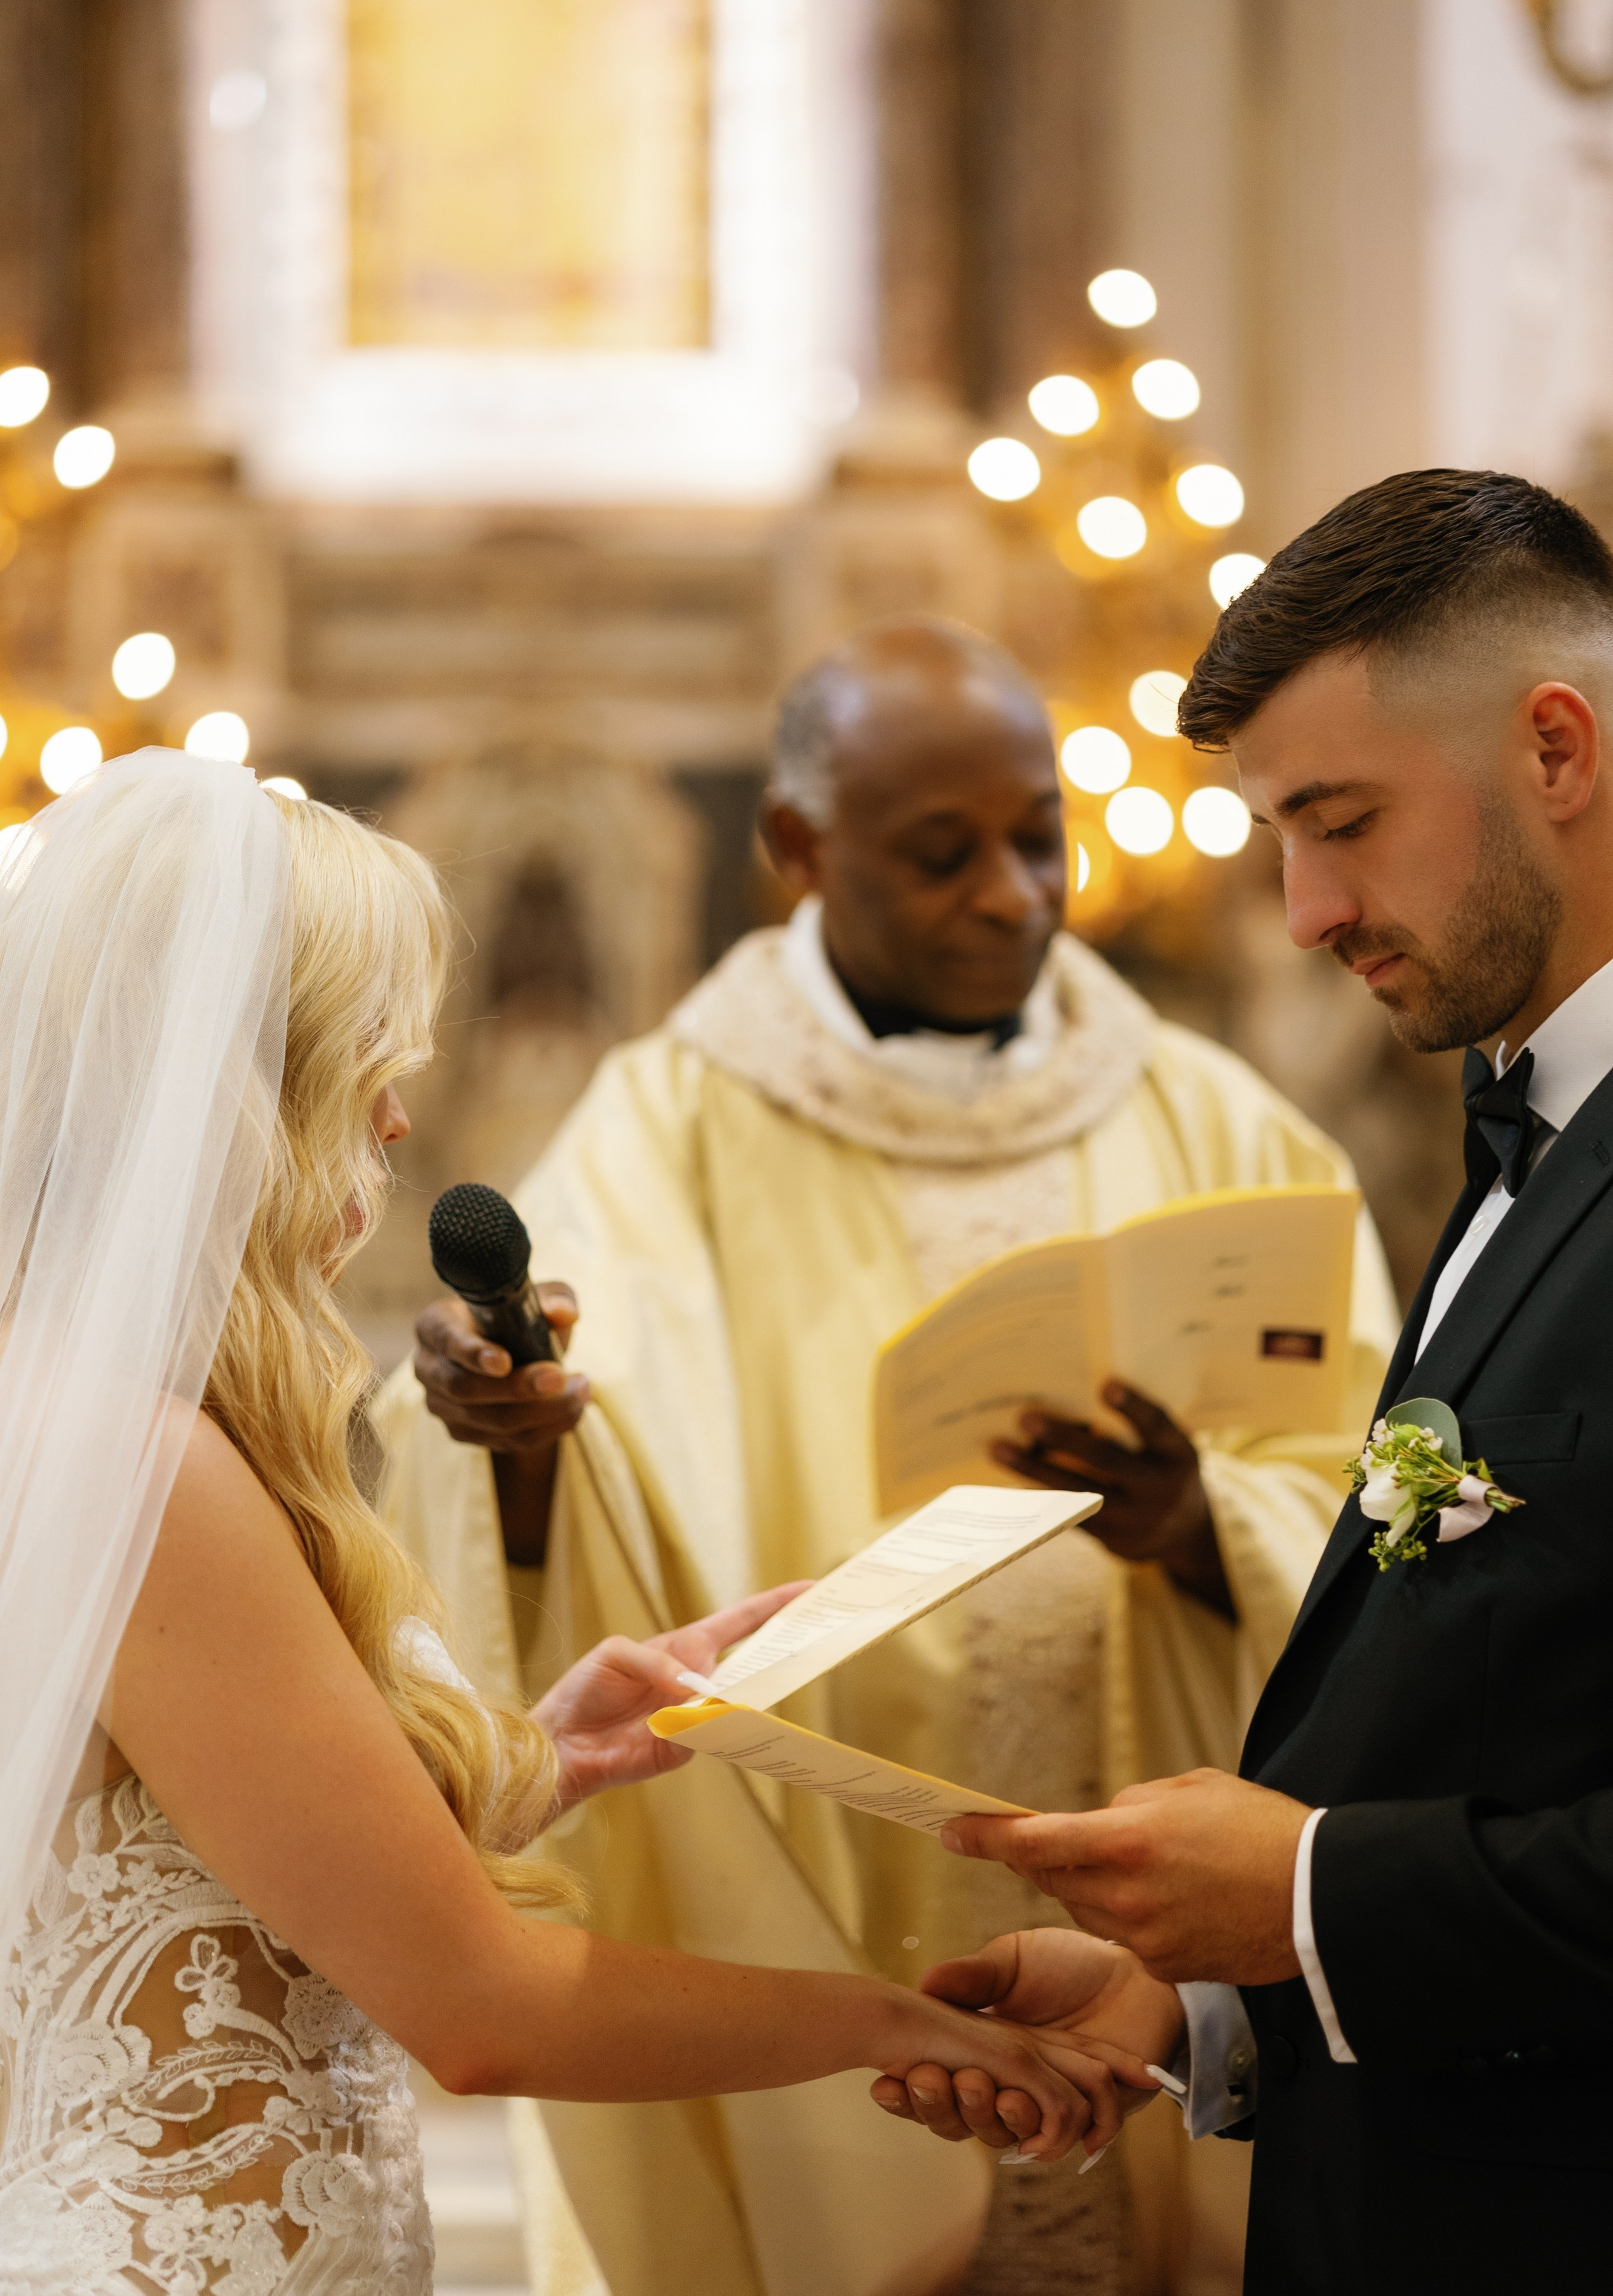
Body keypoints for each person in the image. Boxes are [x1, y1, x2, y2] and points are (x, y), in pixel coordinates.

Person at [0, 750, 1139, 2296]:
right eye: (364, 1062)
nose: (397, 1117)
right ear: (237, 1086)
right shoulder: (142, 1460)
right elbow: (483, 2011)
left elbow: (234, 1878)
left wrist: (543, 1755)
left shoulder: (74, 1410)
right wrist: (897, 2019)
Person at [378, 618, 1399, 2295]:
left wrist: (1199, 1521)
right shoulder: (667, 1128)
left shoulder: (1217, 1120)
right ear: (799, 845)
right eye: (941, 854)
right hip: (837, 1889)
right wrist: (514, 1437)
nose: (1011, 895)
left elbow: (1371, 1499)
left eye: (1037, 839)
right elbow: (576, 1464)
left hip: (1158, 1920)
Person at [902, 469, 1613, 2293]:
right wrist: (1203, 1987)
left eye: (1342, 823)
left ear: (1555, 747)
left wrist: (1301, 1894)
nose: (1303, 912)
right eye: (1277, 841)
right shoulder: (1532, 1123)